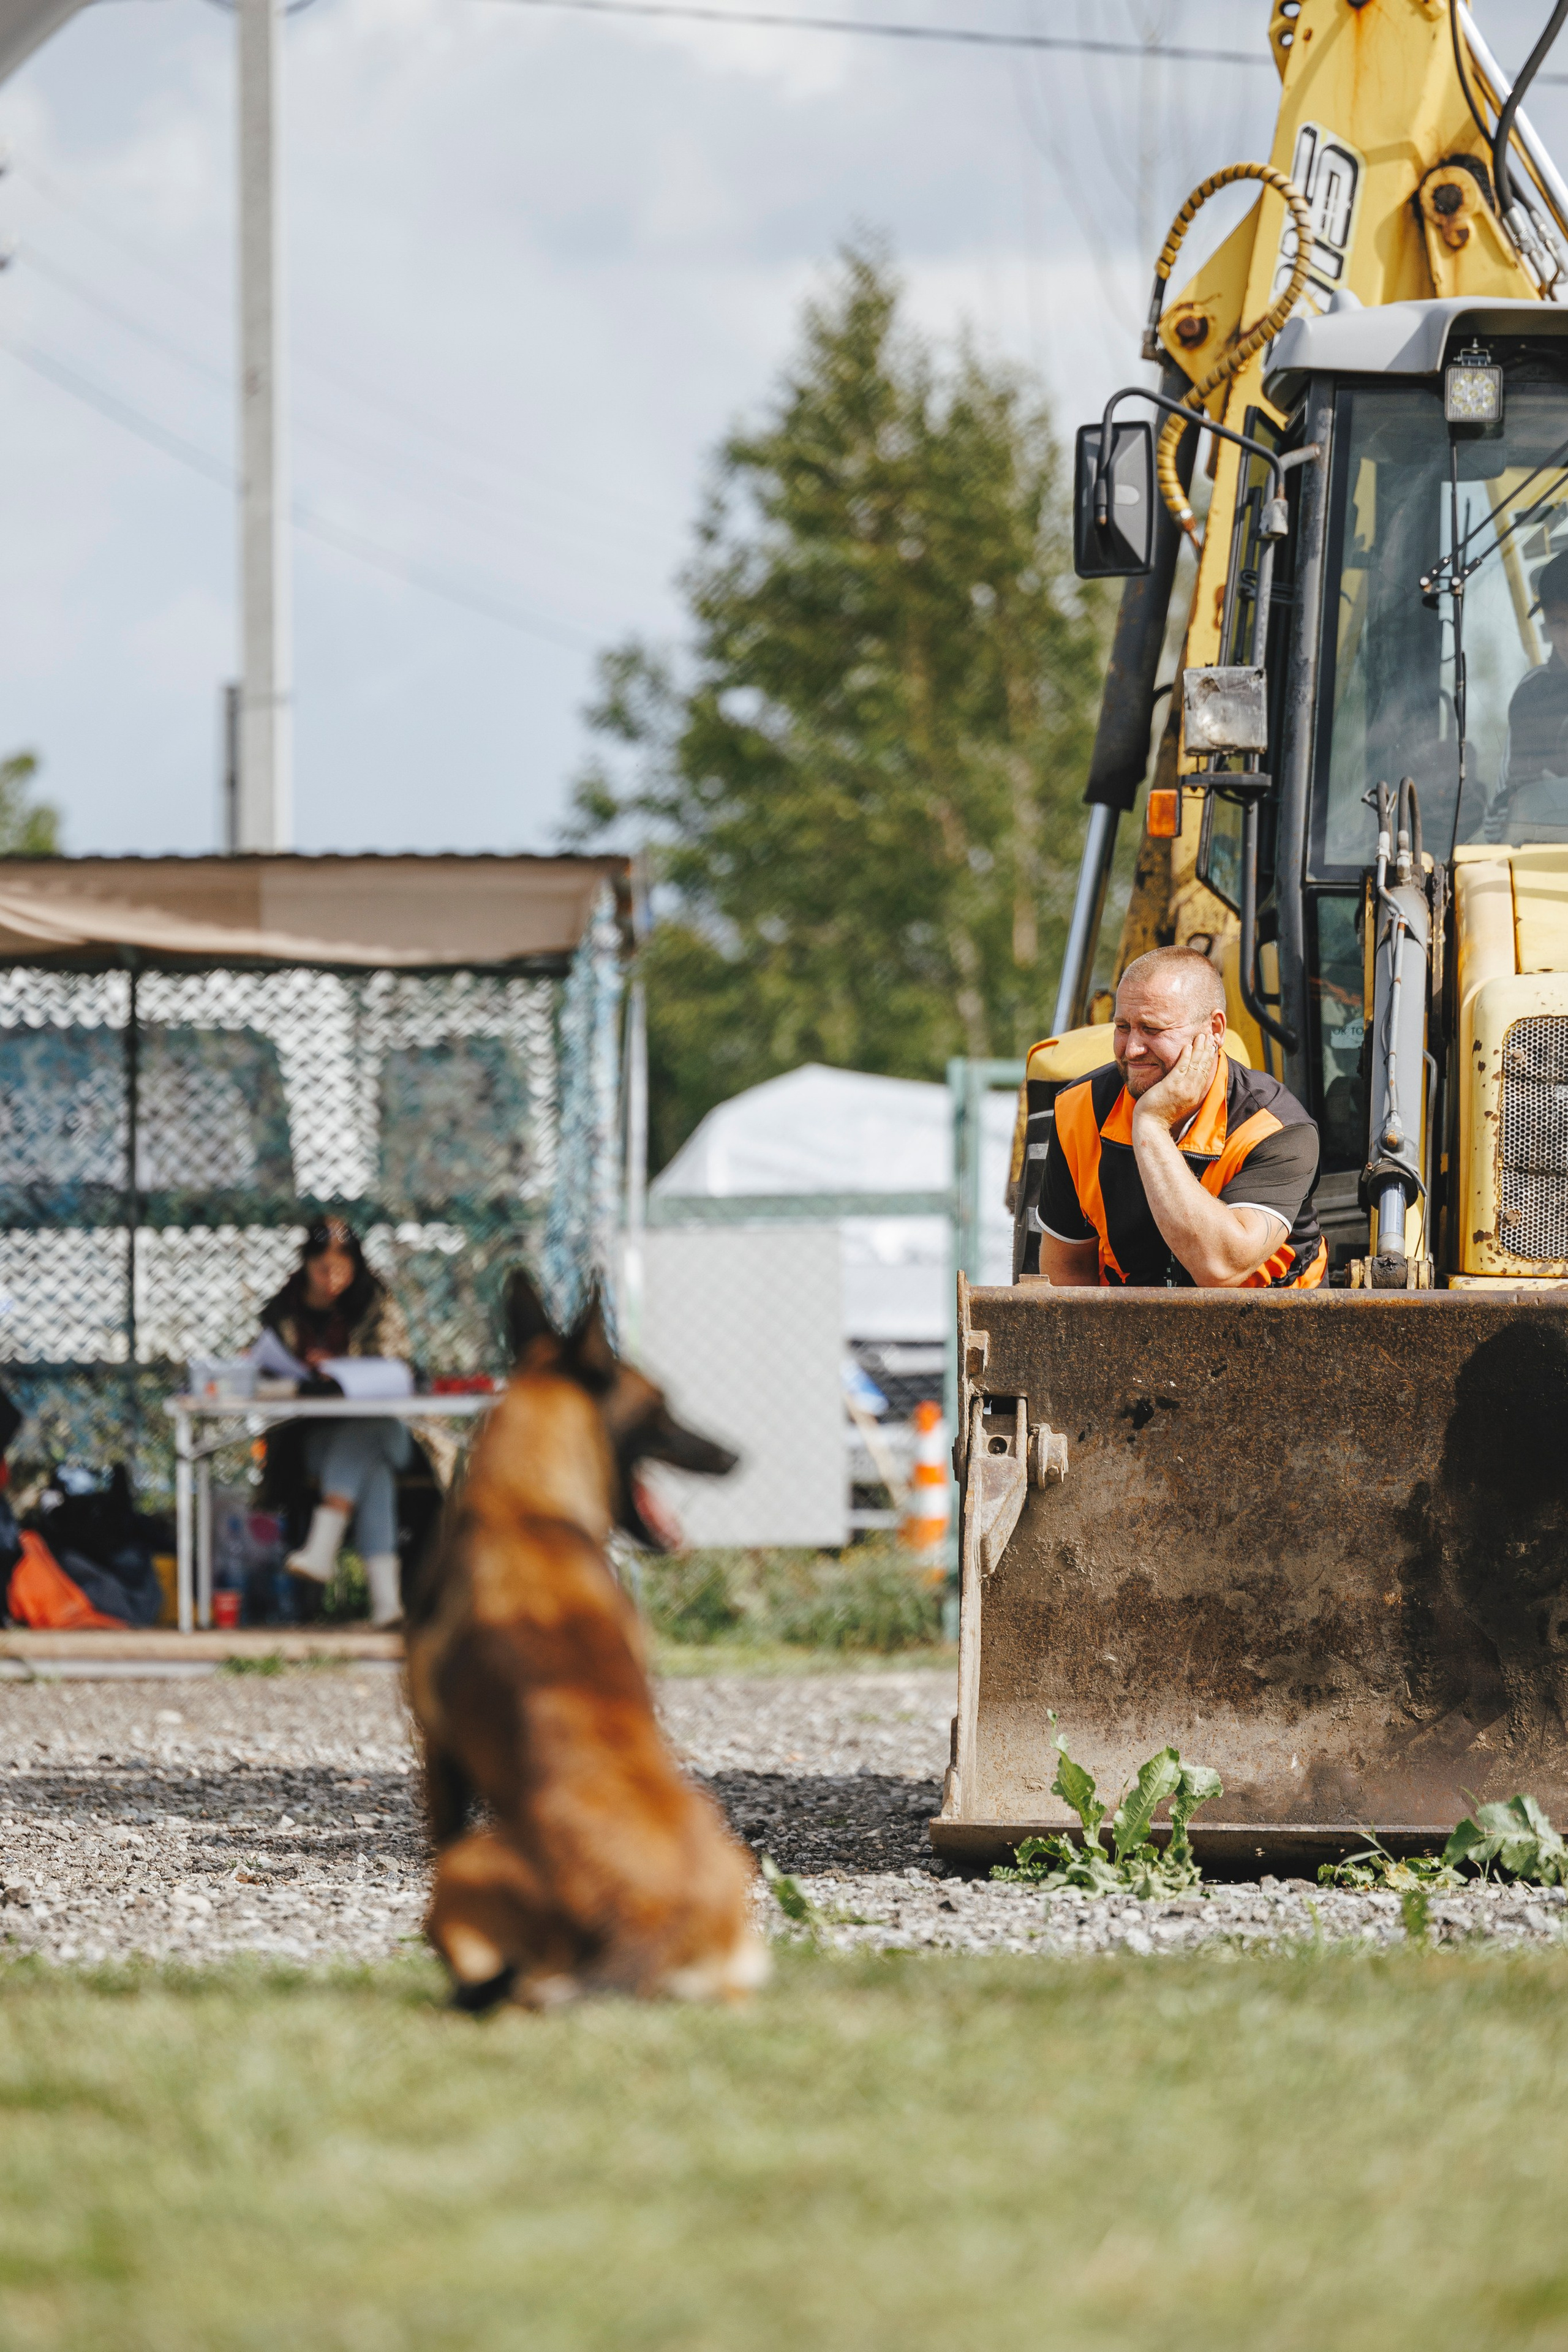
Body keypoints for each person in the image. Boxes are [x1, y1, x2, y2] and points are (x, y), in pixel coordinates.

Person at [1034, 946, 1325, 1289]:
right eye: (1123, 1027)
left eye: (1152, 1029)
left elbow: (1220, 1268)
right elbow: (1067, 1269)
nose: (1132, 1050)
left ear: (1214, 1030)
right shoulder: (1079, 1109)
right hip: (1129, 1327)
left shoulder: (1276, 1129)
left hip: (1274, 1327)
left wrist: (1151, 1125)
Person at [259, 1216, 413, 1627]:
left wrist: (343, 1367)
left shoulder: (376, 1302)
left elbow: (396, 1362)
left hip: (386, 1427)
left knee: (370, 1429)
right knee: (372, 1470)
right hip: (314, 1439)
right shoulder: (283, 1310)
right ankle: (387, 1606)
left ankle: (322, 1548)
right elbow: (268, 1370)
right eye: (322, 1268)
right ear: (306, 1265)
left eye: (342, 1269)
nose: (332, 1279)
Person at [1487, 547, 1568, 844]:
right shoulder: (1533, 695)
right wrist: (1522, 798)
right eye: (1560, 623)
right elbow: (1495, 825)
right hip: (1541, 871)